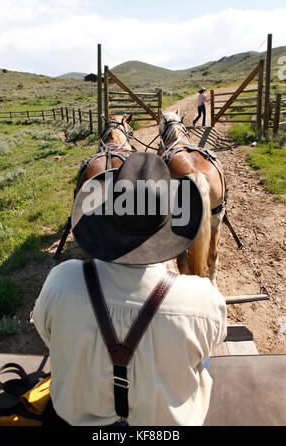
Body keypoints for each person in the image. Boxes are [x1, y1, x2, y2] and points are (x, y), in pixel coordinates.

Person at [31, 152, 227, 426]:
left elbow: (47, 335)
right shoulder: (203, 299)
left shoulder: (60, 281)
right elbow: (208, 347)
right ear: (170, 221)